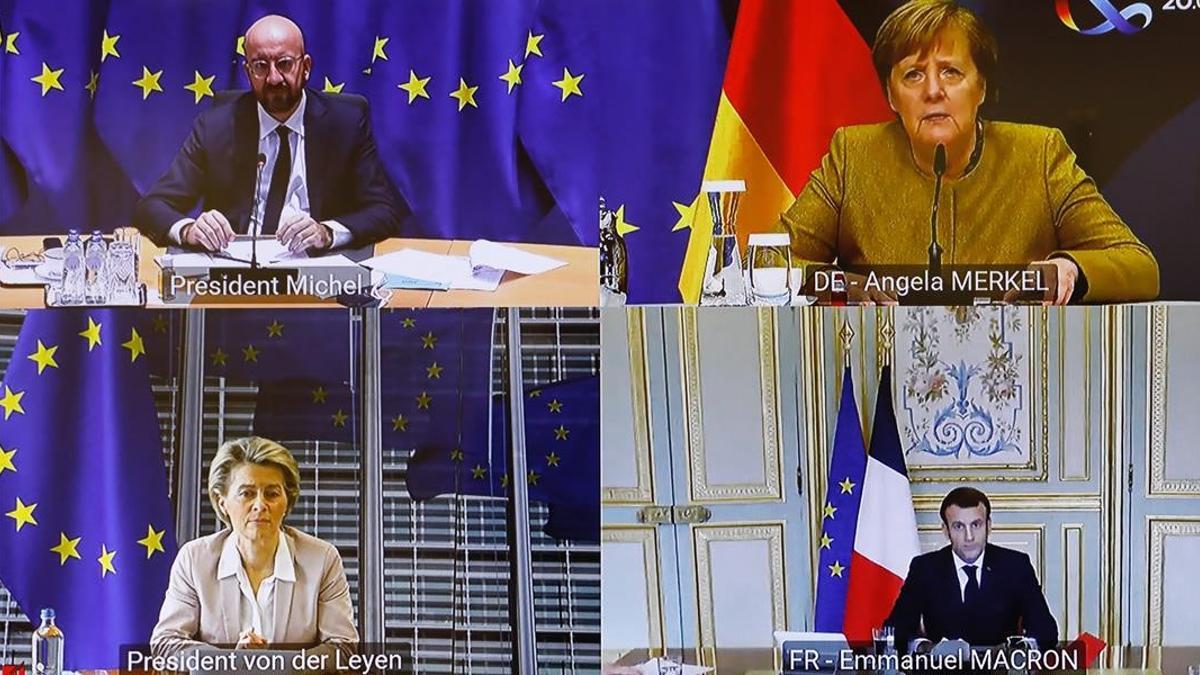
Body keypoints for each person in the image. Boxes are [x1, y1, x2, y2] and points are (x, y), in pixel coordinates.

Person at [778, 0, 1158, 304]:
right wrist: (834, 283)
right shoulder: (854, 157)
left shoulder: (1039, 155)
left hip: (1014, 380)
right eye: (912, 74)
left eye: (951, 72)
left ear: (981, 88)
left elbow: (1140, 266)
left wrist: (1069, 269)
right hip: (883, 382)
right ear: (891, 95)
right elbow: (773, 263)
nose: (932, 91)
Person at [133, 15, 405, 254]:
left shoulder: (345, 123)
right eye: (261, 66)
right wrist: (189, 230)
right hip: (236, 277)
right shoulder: (216, 126)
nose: (274, 78)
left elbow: (383, 211)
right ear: (247, 71)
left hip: (321, 273)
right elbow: (152, 207)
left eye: (285, 63)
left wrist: (327, 233)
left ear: (306, 67)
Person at [151, 437, 358, 659]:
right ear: (223, 502)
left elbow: (343, 648)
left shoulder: (321, 559)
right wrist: (232, 662)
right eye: (247, 493)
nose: (260, 505)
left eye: (272, 494)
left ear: (287, 501)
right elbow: (166, 644)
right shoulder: (194, 559)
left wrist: (279, 667)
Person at [885, 487, 1057, 654]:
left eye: (976, 525)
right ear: (945, 530)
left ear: (989, 526)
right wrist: (926, 648)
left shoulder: (1016, 565)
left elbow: (1047, 632)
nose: (969, 537)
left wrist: (1014, 649)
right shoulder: (925, 568)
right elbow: (894, 632)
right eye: (959, 526)